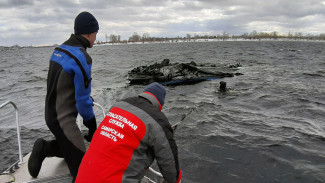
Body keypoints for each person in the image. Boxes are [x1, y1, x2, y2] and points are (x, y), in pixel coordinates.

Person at [28, 11, 99, 182]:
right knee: (84, 170)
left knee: (71, 146)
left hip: (50, 114)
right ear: (88, 33)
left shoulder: (59, 50)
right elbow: (82, 102)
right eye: (96, 34)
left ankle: (45, 148)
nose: (96, 38)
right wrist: (92, 125)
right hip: (64, 120)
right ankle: (45, 148)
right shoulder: (82, 58)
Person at [75, 82, 182, 183]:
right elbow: (171, 171)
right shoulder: (158, 120)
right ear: (160, 104)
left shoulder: (118, 105)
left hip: (82, 177)